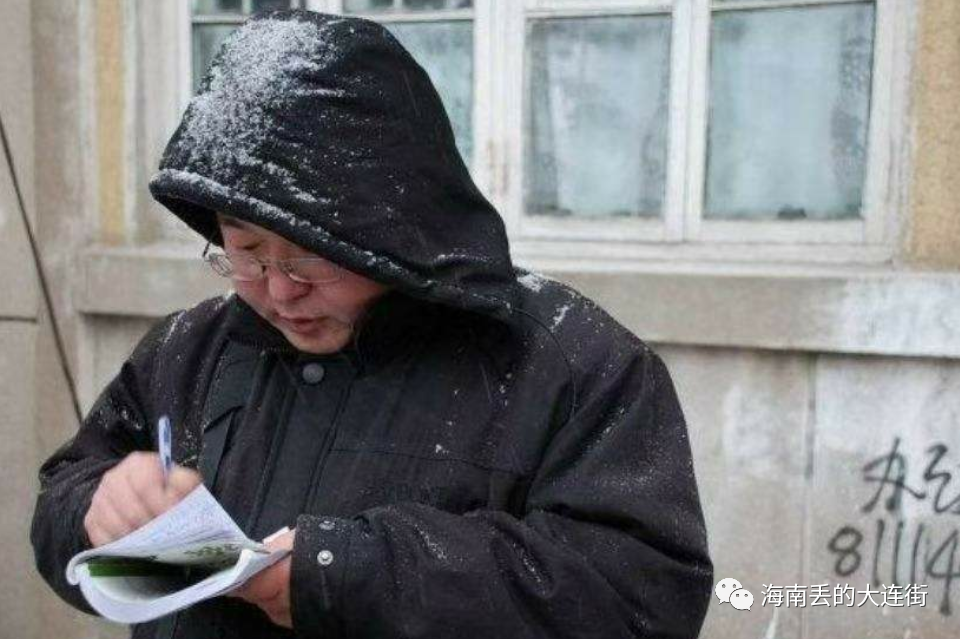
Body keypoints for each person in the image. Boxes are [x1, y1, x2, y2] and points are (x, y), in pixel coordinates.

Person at [31, 9, 713, 639]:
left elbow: (641, 596)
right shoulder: (190, 349)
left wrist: (348, 574)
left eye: (310, 256)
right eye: (245, 249)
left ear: (394, 233)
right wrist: (96, 508)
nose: (278, 289)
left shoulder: (570, 365)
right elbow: (63, 499)